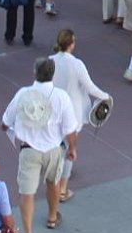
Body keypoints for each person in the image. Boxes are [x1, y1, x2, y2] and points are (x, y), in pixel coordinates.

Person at [0, 58, 76, 233]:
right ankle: (52, 217)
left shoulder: (23, 94)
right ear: (53, 74)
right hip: (54, 149)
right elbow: (70, 129)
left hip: (29, 150)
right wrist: (72, 148)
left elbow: (6, 121)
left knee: (27, 193)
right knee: (53, 182)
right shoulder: (61, 96)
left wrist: (6, 128)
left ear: (34, 72)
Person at [47, 30, 111, 202]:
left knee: (56, 144)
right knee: (70, 149)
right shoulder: (76, 64)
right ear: (71, 44)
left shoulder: (49, 61)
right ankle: (63, 189)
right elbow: (90, 87)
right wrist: (105, 96)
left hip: (53, 110)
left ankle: (54, 174)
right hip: (72, 113)